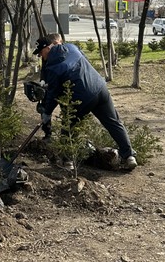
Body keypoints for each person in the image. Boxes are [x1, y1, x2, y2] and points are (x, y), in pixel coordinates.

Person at [33, 33, 137, 171]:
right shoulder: (72, 47)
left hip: (81, 98)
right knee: (114, 122)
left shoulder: (52, 67)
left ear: (47, 48)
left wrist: (47, 112)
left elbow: (53, 93)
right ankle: (129, 156)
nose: (41, 56)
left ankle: (68, 163)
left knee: (69, 128)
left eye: (41, 53)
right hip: (100, 89)